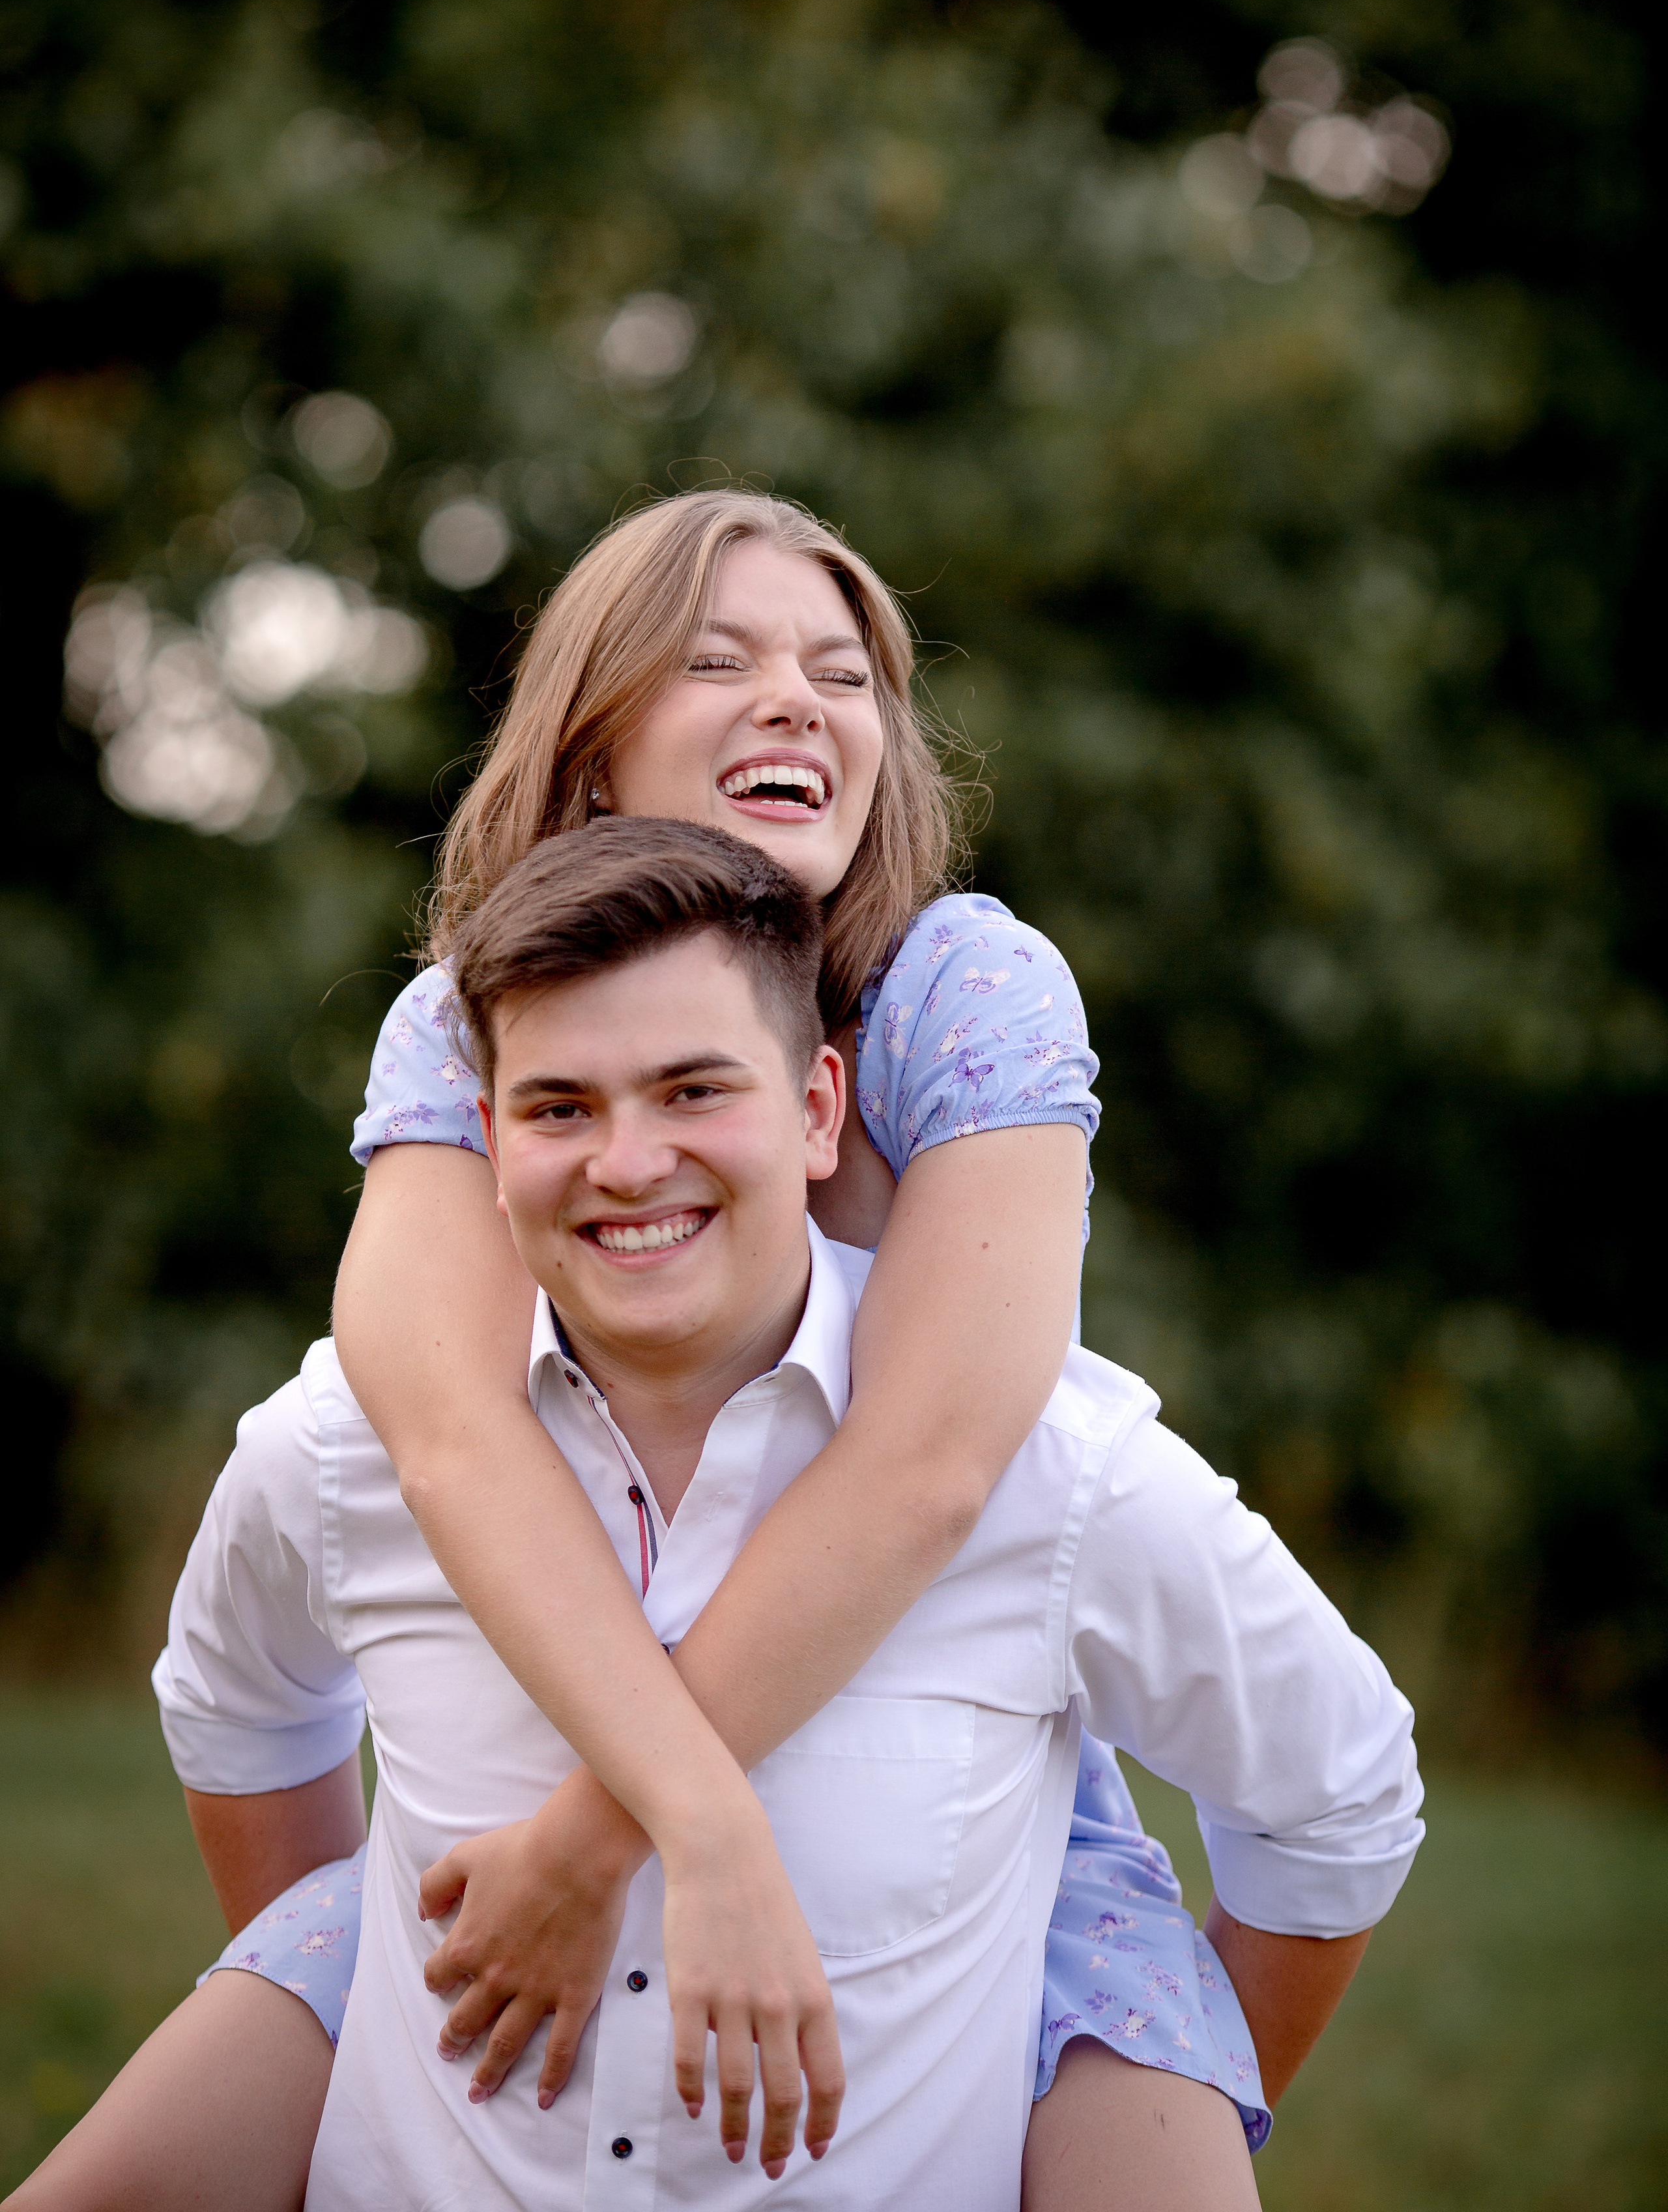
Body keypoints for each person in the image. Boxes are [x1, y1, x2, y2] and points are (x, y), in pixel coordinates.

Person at [6, 494, 1395, 2212]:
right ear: (592, 750)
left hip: (957, 1784)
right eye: (718, 661)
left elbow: (936, 1458)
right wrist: (526, 1918)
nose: (797, 697)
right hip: (567, 1713)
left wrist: (622, 1835)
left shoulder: (961, 985)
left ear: (814, 1101)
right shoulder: (470, 1010)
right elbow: (441, 1429)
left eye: (842, 673)